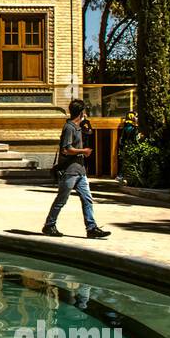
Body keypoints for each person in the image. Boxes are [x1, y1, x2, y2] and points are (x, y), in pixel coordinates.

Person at [43, 99, 110, 238]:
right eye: (84, 111)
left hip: (80, 170)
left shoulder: (79, 127)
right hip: (69, 171)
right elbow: (66, 150)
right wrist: (83, 151)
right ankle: (49, 225)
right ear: (81, 112)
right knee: (61, 200)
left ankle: (91, 228)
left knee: (87, 199)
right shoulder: (69, 128)